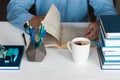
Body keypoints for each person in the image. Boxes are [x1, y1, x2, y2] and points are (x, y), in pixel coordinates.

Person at [7, 0, 117, 40]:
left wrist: (101, 24)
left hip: (84, 36)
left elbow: (105, 7)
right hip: (42, 37)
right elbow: (14, 8)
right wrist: (31, 20)